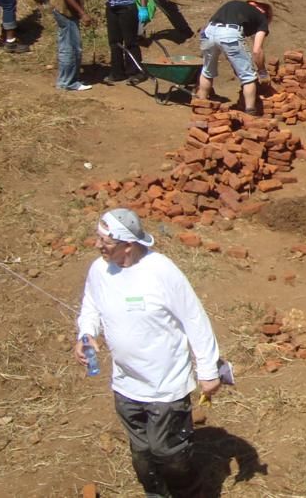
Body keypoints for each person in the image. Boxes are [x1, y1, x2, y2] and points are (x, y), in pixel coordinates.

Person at [75, 208, 221, 498]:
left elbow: (194, 319)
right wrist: (87, 332)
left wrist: (208, 370)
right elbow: (91, 304)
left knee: (170, 454)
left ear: (128, 245)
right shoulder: (100, 270)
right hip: (126, 385)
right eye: (98, 238)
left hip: (166, 385)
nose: (98, 245)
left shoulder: (161, 271)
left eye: (106, 241)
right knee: (143, 456)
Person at [196, 0, 272, 113]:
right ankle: (250, 113)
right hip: (230, 34)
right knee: (248, 77)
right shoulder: (262, 18)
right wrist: (262, 72)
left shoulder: (236, 6)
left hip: (208, 32)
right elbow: (257, 50)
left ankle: (201, 106)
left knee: (207, 71)